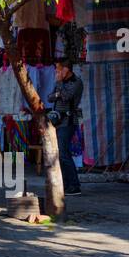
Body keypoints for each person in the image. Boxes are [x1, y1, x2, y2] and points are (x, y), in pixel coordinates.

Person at [48, 58, 84, 196]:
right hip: (57, 121)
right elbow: (50, 97)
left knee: (63, 153)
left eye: (58, 69)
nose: (56, 72)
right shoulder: (59, 82)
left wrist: (58, 90)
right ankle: (66, 184)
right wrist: (57, 92)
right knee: (60, 154)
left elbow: (67, 97)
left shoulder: (76, 82)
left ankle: (74, 185)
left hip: (69, 121)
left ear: (66, 69)